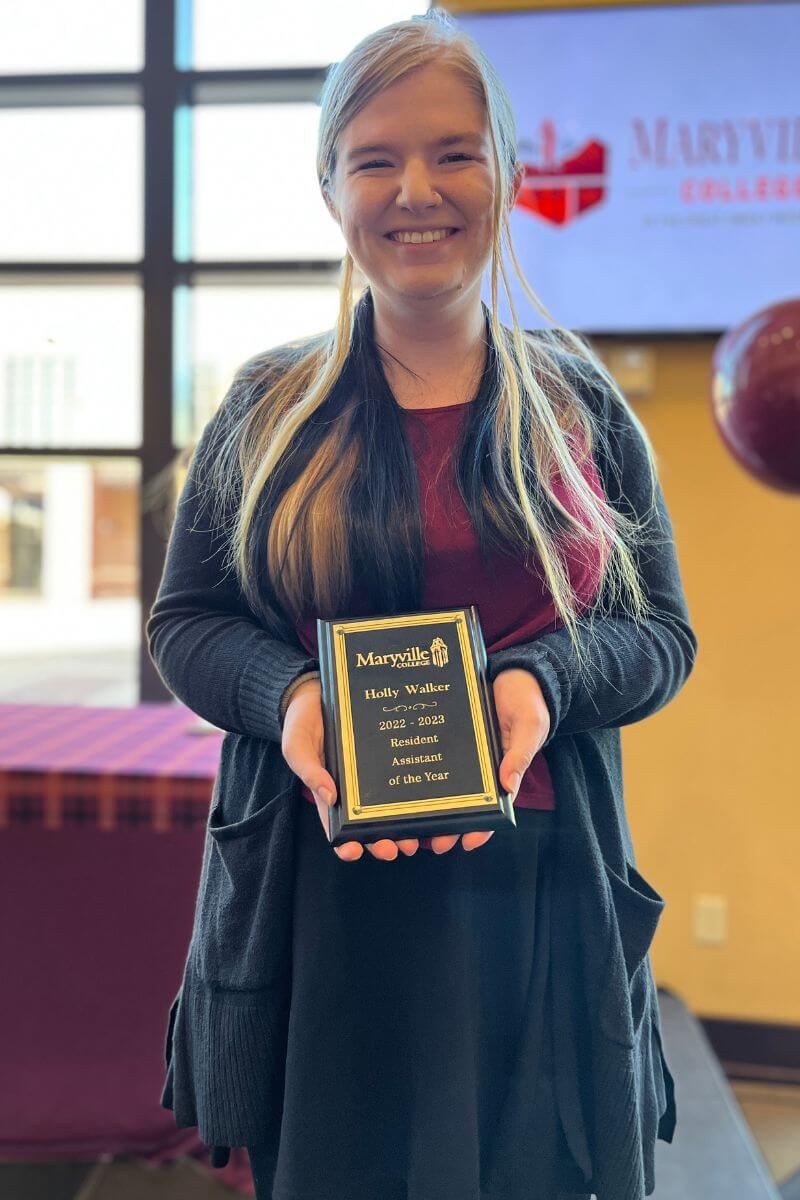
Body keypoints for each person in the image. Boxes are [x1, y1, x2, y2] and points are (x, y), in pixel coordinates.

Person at [148, 10, 697, 1200]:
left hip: (538, 896)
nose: (417, 190)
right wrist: (288, 699)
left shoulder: (578, 406)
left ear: (504, 167)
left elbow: (661, 636)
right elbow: (186, 624)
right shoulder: (270, 407)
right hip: (318, 898)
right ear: (330, 185)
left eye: (453, 152)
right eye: (375, 158)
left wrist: (541, 683)